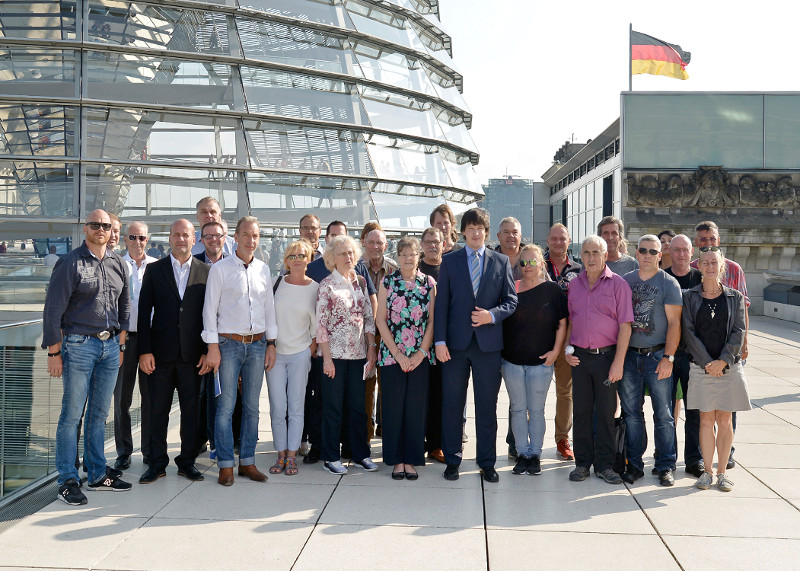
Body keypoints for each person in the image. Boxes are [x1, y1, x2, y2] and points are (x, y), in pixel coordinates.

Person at [42, 209, 132, 505]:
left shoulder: (118, 262)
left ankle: (96, 474)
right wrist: (54, 351)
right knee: (71, 415)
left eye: (106, 226)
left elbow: (125, 302)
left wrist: (121, 339)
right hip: (78, 345)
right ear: (86, 229)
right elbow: (53, 309)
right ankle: (67, 479)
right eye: (95, 225)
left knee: (99, 414)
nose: (101, 229)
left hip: (109, 349)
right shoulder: (70, 262)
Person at [434, 208, 517, 483]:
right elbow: (442, 304)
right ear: (463, 232)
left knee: (486, 406)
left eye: (480, 228)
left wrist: (491, 316)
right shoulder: (450, 261)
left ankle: (486, 462)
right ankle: (453, 459)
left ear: (486, 231)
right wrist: (440, 341)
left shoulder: (501, 261)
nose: (475, 232)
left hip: (488, 347)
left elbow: (511, 301)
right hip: (455, 346)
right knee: (452, 405)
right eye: (470, 228)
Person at [203, 216, 278, 486]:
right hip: (228, 345)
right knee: (225, 406)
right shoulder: (220, 269)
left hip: (257, 346)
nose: (251, 240)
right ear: (236, 236)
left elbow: (269, 309)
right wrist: (212, 346)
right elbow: (209, 311)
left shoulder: (263, 270)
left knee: (252, 407)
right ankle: (225, 464)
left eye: (255, 235)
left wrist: (271, 343)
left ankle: (247, 461)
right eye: (246, 234)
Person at [137, 220, 210, 484]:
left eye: (186, 235)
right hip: (160, 355)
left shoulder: (206, 272)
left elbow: (209, 316)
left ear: (194, 239)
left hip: (193, 358)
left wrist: (206, 351)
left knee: (191, 413)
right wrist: (144, 351)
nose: (181, 239)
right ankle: (156, 463)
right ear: (169, 238)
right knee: (157, 412)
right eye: (176, 235)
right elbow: (143, 314)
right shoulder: (154, 271)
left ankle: (187, 462)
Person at [302, 221, 378, 464]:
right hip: (333, 357)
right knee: (332, 408)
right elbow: (320, 325)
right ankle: (331, 456)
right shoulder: (326, 286)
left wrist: (371, 349)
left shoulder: (361, 283)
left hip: (357, 356)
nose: (348, 256)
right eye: (342, 253)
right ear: (331, 258)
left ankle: (360, 455)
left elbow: (368, 317)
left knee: (357, 408)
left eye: (351, 252)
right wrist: (327, 359)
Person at [564, 235, 633, 485]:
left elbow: (626, 326)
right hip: (580, 358)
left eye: (596, 252)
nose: (591, 257)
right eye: (586, 253)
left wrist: (619, 362)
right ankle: (582, 463)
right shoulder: (575, 285)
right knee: (581, 411)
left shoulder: (618, 285)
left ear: (605, 255)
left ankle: (605, 465)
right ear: (580, 256)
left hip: (607, 358)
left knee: (605, 413)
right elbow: (571, 321)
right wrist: (567, 350)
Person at [682, 247, 751, 492]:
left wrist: (723, 361)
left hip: (729, 368)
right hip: (701, 368)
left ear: (722, 267)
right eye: (706, 262)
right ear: (698, 266)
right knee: (705, 419)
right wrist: (708, 363)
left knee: (724, 419)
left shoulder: (735, 297)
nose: (710, 266)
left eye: (715, 262)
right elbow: (688, 332)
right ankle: (707, 473)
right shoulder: (689, 297)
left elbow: (739, 332)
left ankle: (722, 473)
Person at [619, 235, 682, 487]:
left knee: (664, 414)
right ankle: (634, 464)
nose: (647, 254)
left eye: (652, 251)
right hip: (630, 355)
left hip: (657, 356)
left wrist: (668, 357)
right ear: (636, 253)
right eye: (643, 250)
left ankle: (665, 465)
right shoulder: (625, 281)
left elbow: (675, 324)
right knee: (632, 414)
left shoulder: (669, 283)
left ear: (660, 254)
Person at [502, 245, 567, 476]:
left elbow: (562, 324)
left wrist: (555, 352)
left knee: (537, 411)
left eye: (532, 262)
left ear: (542, 264)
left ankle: (535, 455)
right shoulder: (511, 289)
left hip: (541, 363)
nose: (527, 267)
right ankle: (522, 454)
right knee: (518, 409)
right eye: (523, 263)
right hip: (512, 362)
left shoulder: (553, 290)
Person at [376, 237, 436, 480]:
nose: (408, 259)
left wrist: (421, 353)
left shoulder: (428, 283)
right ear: (397, 257)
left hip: (420, 357)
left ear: (418, 256)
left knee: (415, 408)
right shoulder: (387, 282)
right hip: (392, 356)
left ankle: (411, 459)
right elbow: (380, 319)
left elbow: (432, 321)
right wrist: (399, 354)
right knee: (393, 408)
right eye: (403, 255)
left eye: (412, 254)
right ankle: (396, 459)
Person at [266, 240, 318, 476]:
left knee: (296, 407)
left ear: (309, 259)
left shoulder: (315, 289)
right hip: (276, 354)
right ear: (286, 260)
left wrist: (310, 349)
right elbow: (267, 318)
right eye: (292, 256)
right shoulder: (276, 284)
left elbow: (318, 327)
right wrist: (270, 346)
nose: (297, 259)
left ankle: (291, 456)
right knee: (278, 407)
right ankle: (279, 454)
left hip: (300, 355)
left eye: (302, 255)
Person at [113, 222, 157, 470]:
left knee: (150, 398)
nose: (137, 242)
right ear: (125, 240)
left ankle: (149, 451)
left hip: (150, 340)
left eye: (142, 237)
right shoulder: (116, 264)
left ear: (147, 240)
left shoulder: (157, 266)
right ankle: (124, 451)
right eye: (132, 237)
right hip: (124, 339)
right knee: (122, 398)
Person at [664, 234, 704, 477]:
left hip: (693, 356)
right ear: (669, 251)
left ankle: (694, 460)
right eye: (676, 249)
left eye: (685, 250)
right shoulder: (664, 279)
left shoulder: (701, 279)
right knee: (666, 414)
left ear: (692, 253)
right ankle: (666, 461)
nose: (680, 254)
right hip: (667, 354)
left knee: (694, 412)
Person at [544, 223, 582, 461]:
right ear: (547, 240)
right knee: (531, 394)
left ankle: (562, 438)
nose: (558, 242)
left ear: (569, 241)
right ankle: (519, 441)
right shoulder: (536, 264)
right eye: (554, 238)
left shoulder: (579, 269)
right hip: (539, 340)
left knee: (565, 393)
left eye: (562, 239)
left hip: (569, 340)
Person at [362, 228, 398, 442]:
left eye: (380, 243)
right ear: (364, 243)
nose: (375, 247)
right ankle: (365, 432)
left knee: (388, 385)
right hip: (365, 336)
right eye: (371, 242)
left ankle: (385, 429)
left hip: (389, 336)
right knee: (366, 383)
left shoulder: (394, 269)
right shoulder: (356, 267)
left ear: (386, 246)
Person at [418, 227, 445, 463]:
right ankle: (418, 442)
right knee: (419, 395)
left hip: (442, 342)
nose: (432, 246)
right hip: (415, 345)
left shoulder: (450, 268)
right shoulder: (413, 269)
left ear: (443, 243)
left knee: (439, 395)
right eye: (428, 242)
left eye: (436, 242)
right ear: (421, 245)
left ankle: (436, 445)